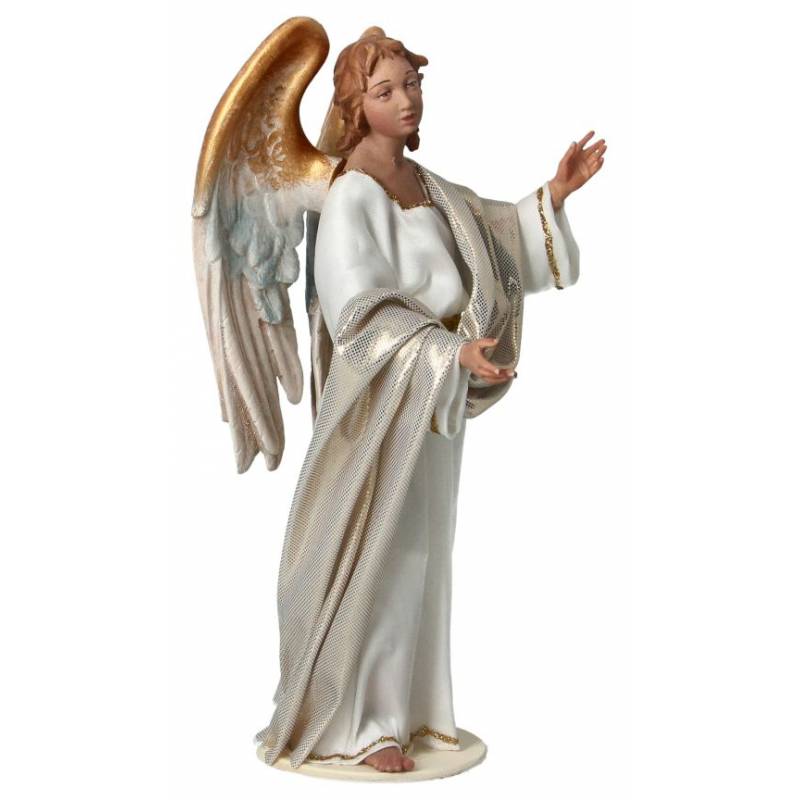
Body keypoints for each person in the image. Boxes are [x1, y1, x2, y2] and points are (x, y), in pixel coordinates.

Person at [253, 26, 604, 774]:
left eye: (411, 84)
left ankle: (414, 711)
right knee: (381, 555)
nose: (406, 100)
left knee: (424, 557)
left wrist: (554, 196)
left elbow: (495, 236)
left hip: (434, 404)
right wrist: (449, 352)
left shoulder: (429, 186)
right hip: (381, 409)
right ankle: (363, 724)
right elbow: (357, 316)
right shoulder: (351, 196)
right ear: (357, 106)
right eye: (385, 91)